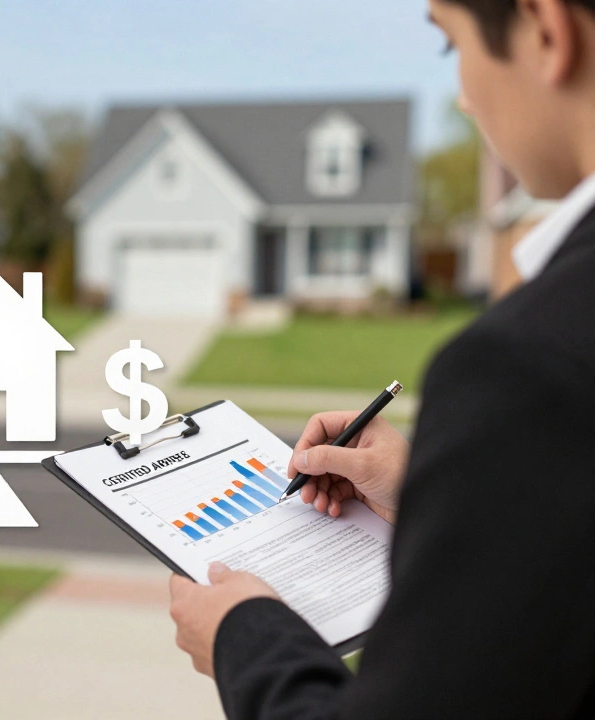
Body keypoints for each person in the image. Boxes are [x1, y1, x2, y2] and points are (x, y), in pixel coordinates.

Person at [167, 0, 595, 717]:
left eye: (449, 45)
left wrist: (246, 638)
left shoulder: (529, 364)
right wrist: (452, 497)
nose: (462, 93)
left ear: (547, 31)